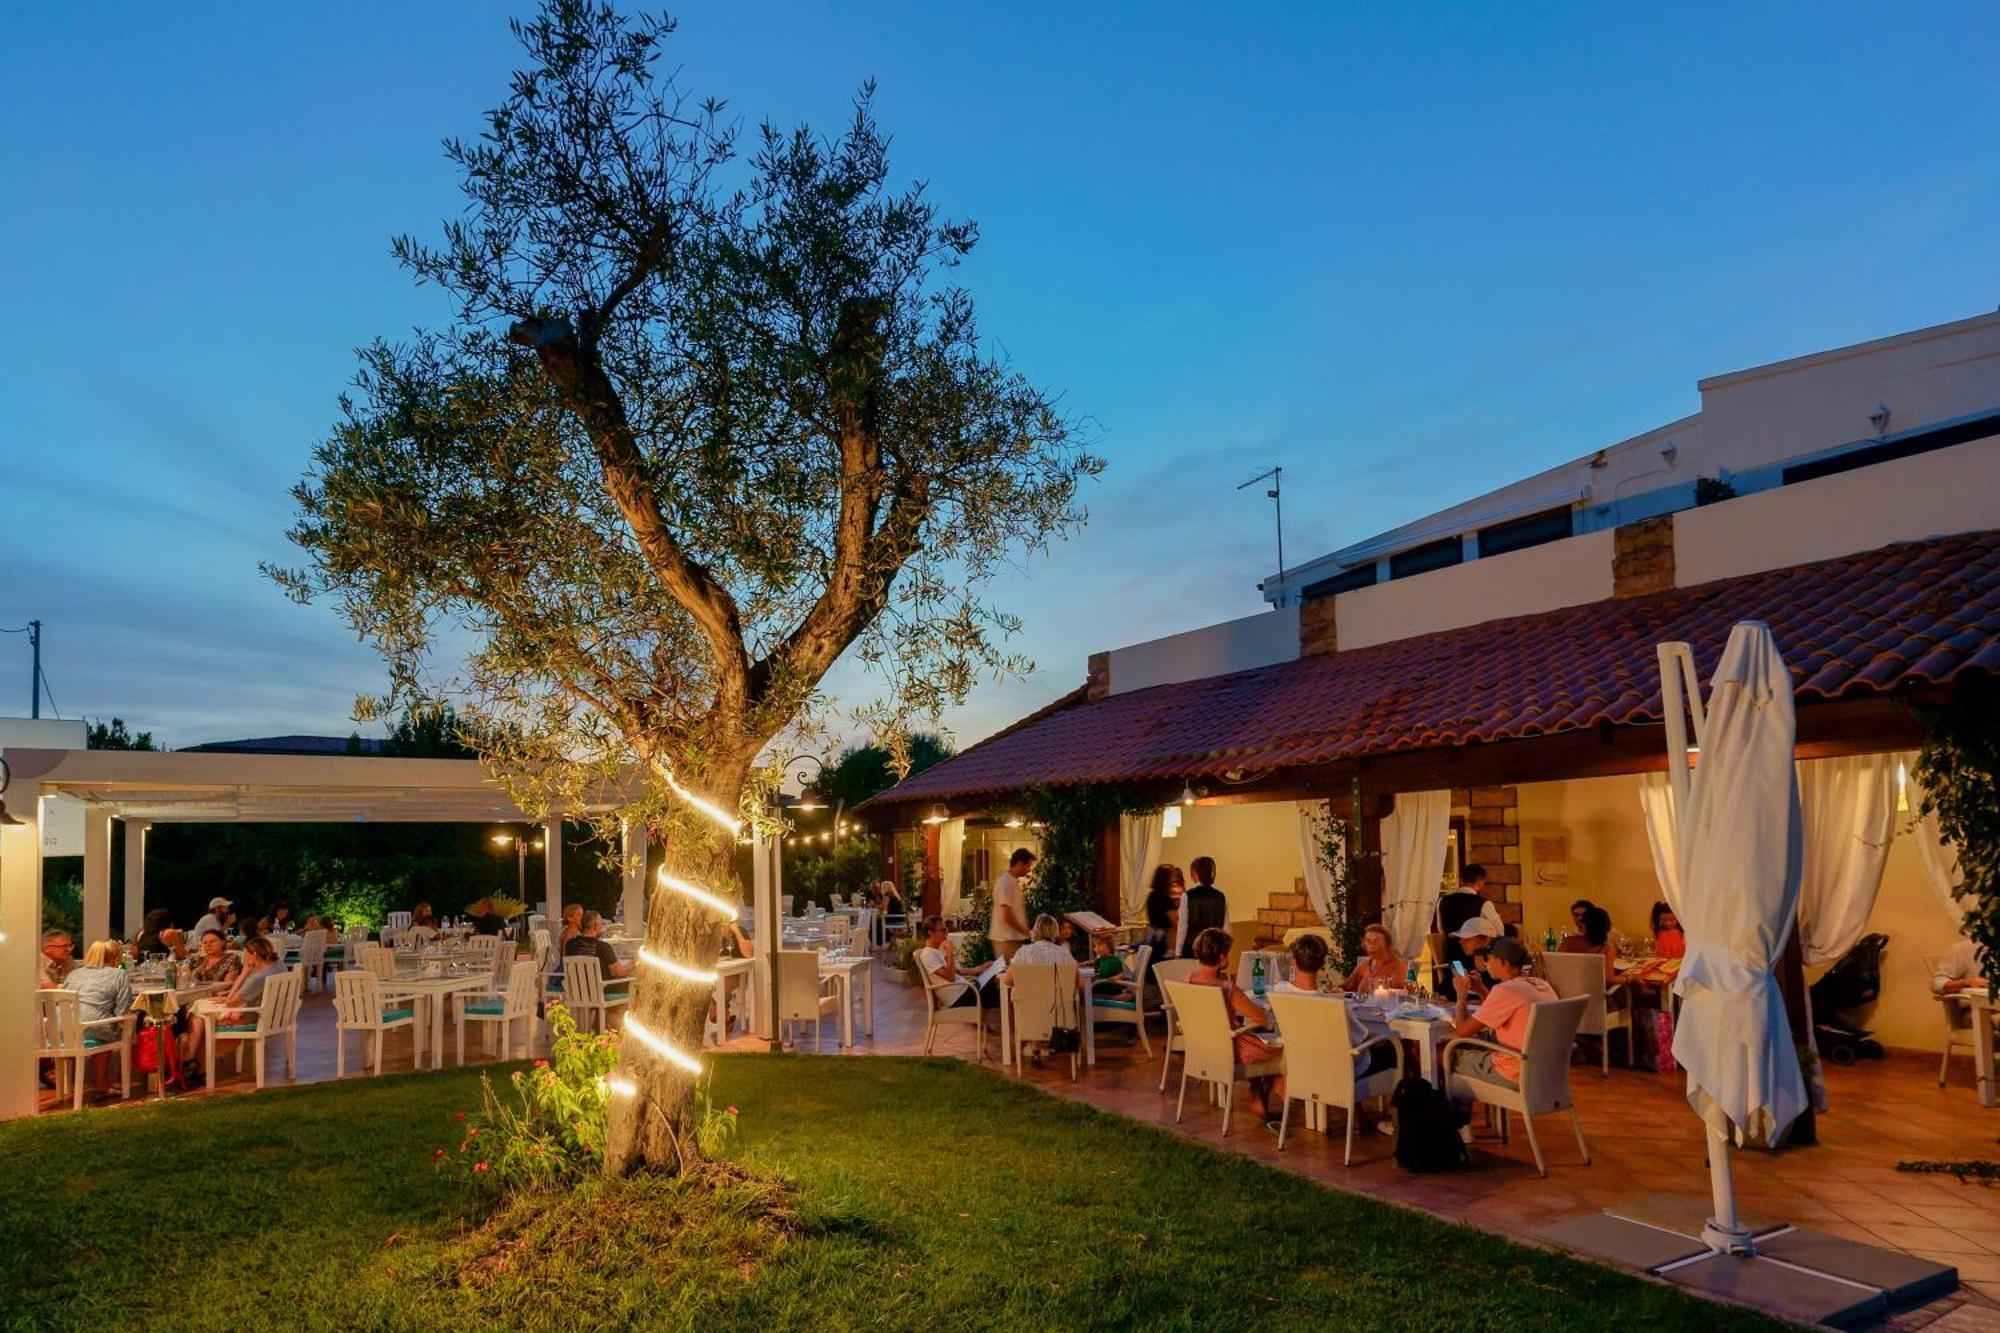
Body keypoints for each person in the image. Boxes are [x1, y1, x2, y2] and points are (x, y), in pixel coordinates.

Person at [1186, 927, 1283, 1124]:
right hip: (1231, 1048)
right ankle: (1263, 1094)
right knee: (1283, 1049)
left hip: (1204, 1046)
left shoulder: (1189, 979)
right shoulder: (1226, 988)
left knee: (1257, 1039)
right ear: (1222, 957)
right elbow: (1260, 1018)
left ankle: (1255, 1092)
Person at [1275, 934, 1398, 1080]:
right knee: (1394, 1048)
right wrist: (1384, 1037)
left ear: (1294, 961)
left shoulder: (1279, 994)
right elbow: (1361, 1039)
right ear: (1323, 963)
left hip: (1301, 1067)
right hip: (1340, 1073)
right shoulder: (1333, 1004)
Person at [1448, 936, 1557, 1088]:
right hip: (1543, 1071)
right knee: (1472, 1047)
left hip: (1513, 1071)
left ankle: (1456, 1110)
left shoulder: (1505, 990)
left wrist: (1461, 995)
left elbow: (1462, 1032)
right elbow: (1500, 1010)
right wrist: (1480, 989)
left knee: (1444, 1055)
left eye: (1489, 958)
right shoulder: (1542, 985)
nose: (1486, 963)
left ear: (1503, 962)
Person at [184, 935, 283, 1082]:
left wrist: (243, 974)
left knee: (198, 1013)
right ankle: (194, 1066)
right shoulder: (278, 966)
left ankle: (190, 1061)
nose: (244, 958)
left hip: (251, 1016)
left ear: (254, 955)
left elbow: (232, 1002)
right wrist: (225, 999)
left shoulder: (257, 977)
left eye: (245, 954)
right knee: (201, 1010)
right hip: (272, 1015)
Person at [916, 915, 990, 1008]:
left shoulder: (936, 951)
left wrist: (980, 969)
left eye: (946, 931)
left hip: (965, 990)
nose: (945, 934)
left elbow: (957, 971)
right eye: (942, 930)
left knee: (994, 984)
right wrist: (949, 951)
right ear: (930, 932)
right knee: (999, 991)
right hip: (959, 997)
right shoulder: (928, 955)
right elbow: (950, 977)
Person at [988, 849, 1035, 963]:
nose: (1029, 870)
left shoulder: (1013, 882)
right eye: (1028, 866)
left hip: (1013, 939)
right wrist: (1026, 931)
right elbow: (1006, 915)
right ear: (1019, 863)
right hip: (1006, 940)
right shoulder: (1005, 883)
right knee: (1009, 976)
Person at [1177, 857, 1228, 958]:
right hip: (1214, 950)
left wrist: (1178, 951)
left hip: (1192, 949)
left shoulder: (1188, 896)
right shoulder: (1221, 896)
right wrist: (1224, 953)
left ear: (1195, 873)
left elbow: (1182, 927)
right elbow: (1226, 928)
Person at [1560, 904, 1619, 985]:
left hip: (1566, 994)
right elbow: (1608, 979)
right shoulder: (1607, 948)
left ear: (1584, 924)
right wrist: (1629, 978)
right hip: (1592, 995)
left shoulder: (1567, 942)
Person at [563, 910, 632, 980]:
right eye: (601, 923)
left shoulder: (570, 944)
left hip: (577, 989)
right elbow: (621, 972)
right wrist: (634, 963)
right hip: (601, 989)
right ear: (596, 926)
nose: (602, 927)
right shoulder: (603, 947)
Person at [1342, 923, 1406, 993]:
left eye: (1376, 941)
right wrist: (1337, 990)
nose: (1371, 946)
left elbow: (1403, 994)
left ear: (1387, 944)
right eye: (1368, 941)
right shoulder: (1365, 965)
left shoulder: (1399, 967)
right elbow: (1345, 987)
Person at [1442, 919, 1497, 1000]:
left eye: (1467, 938)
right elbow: (1446, 988)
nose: (1461, 942)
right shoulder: (1459, 962)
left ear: (1486, 940)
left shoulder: (1501, 965)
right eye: (1461, 938)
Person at [1142, 864, 1181, 962]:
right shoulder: (1164, 898)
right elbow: (1175, 920)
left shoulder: (1152, 895)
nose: (1174, 879)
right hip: (1163, 939)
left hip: (1152, 936)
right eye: (1173, 876)